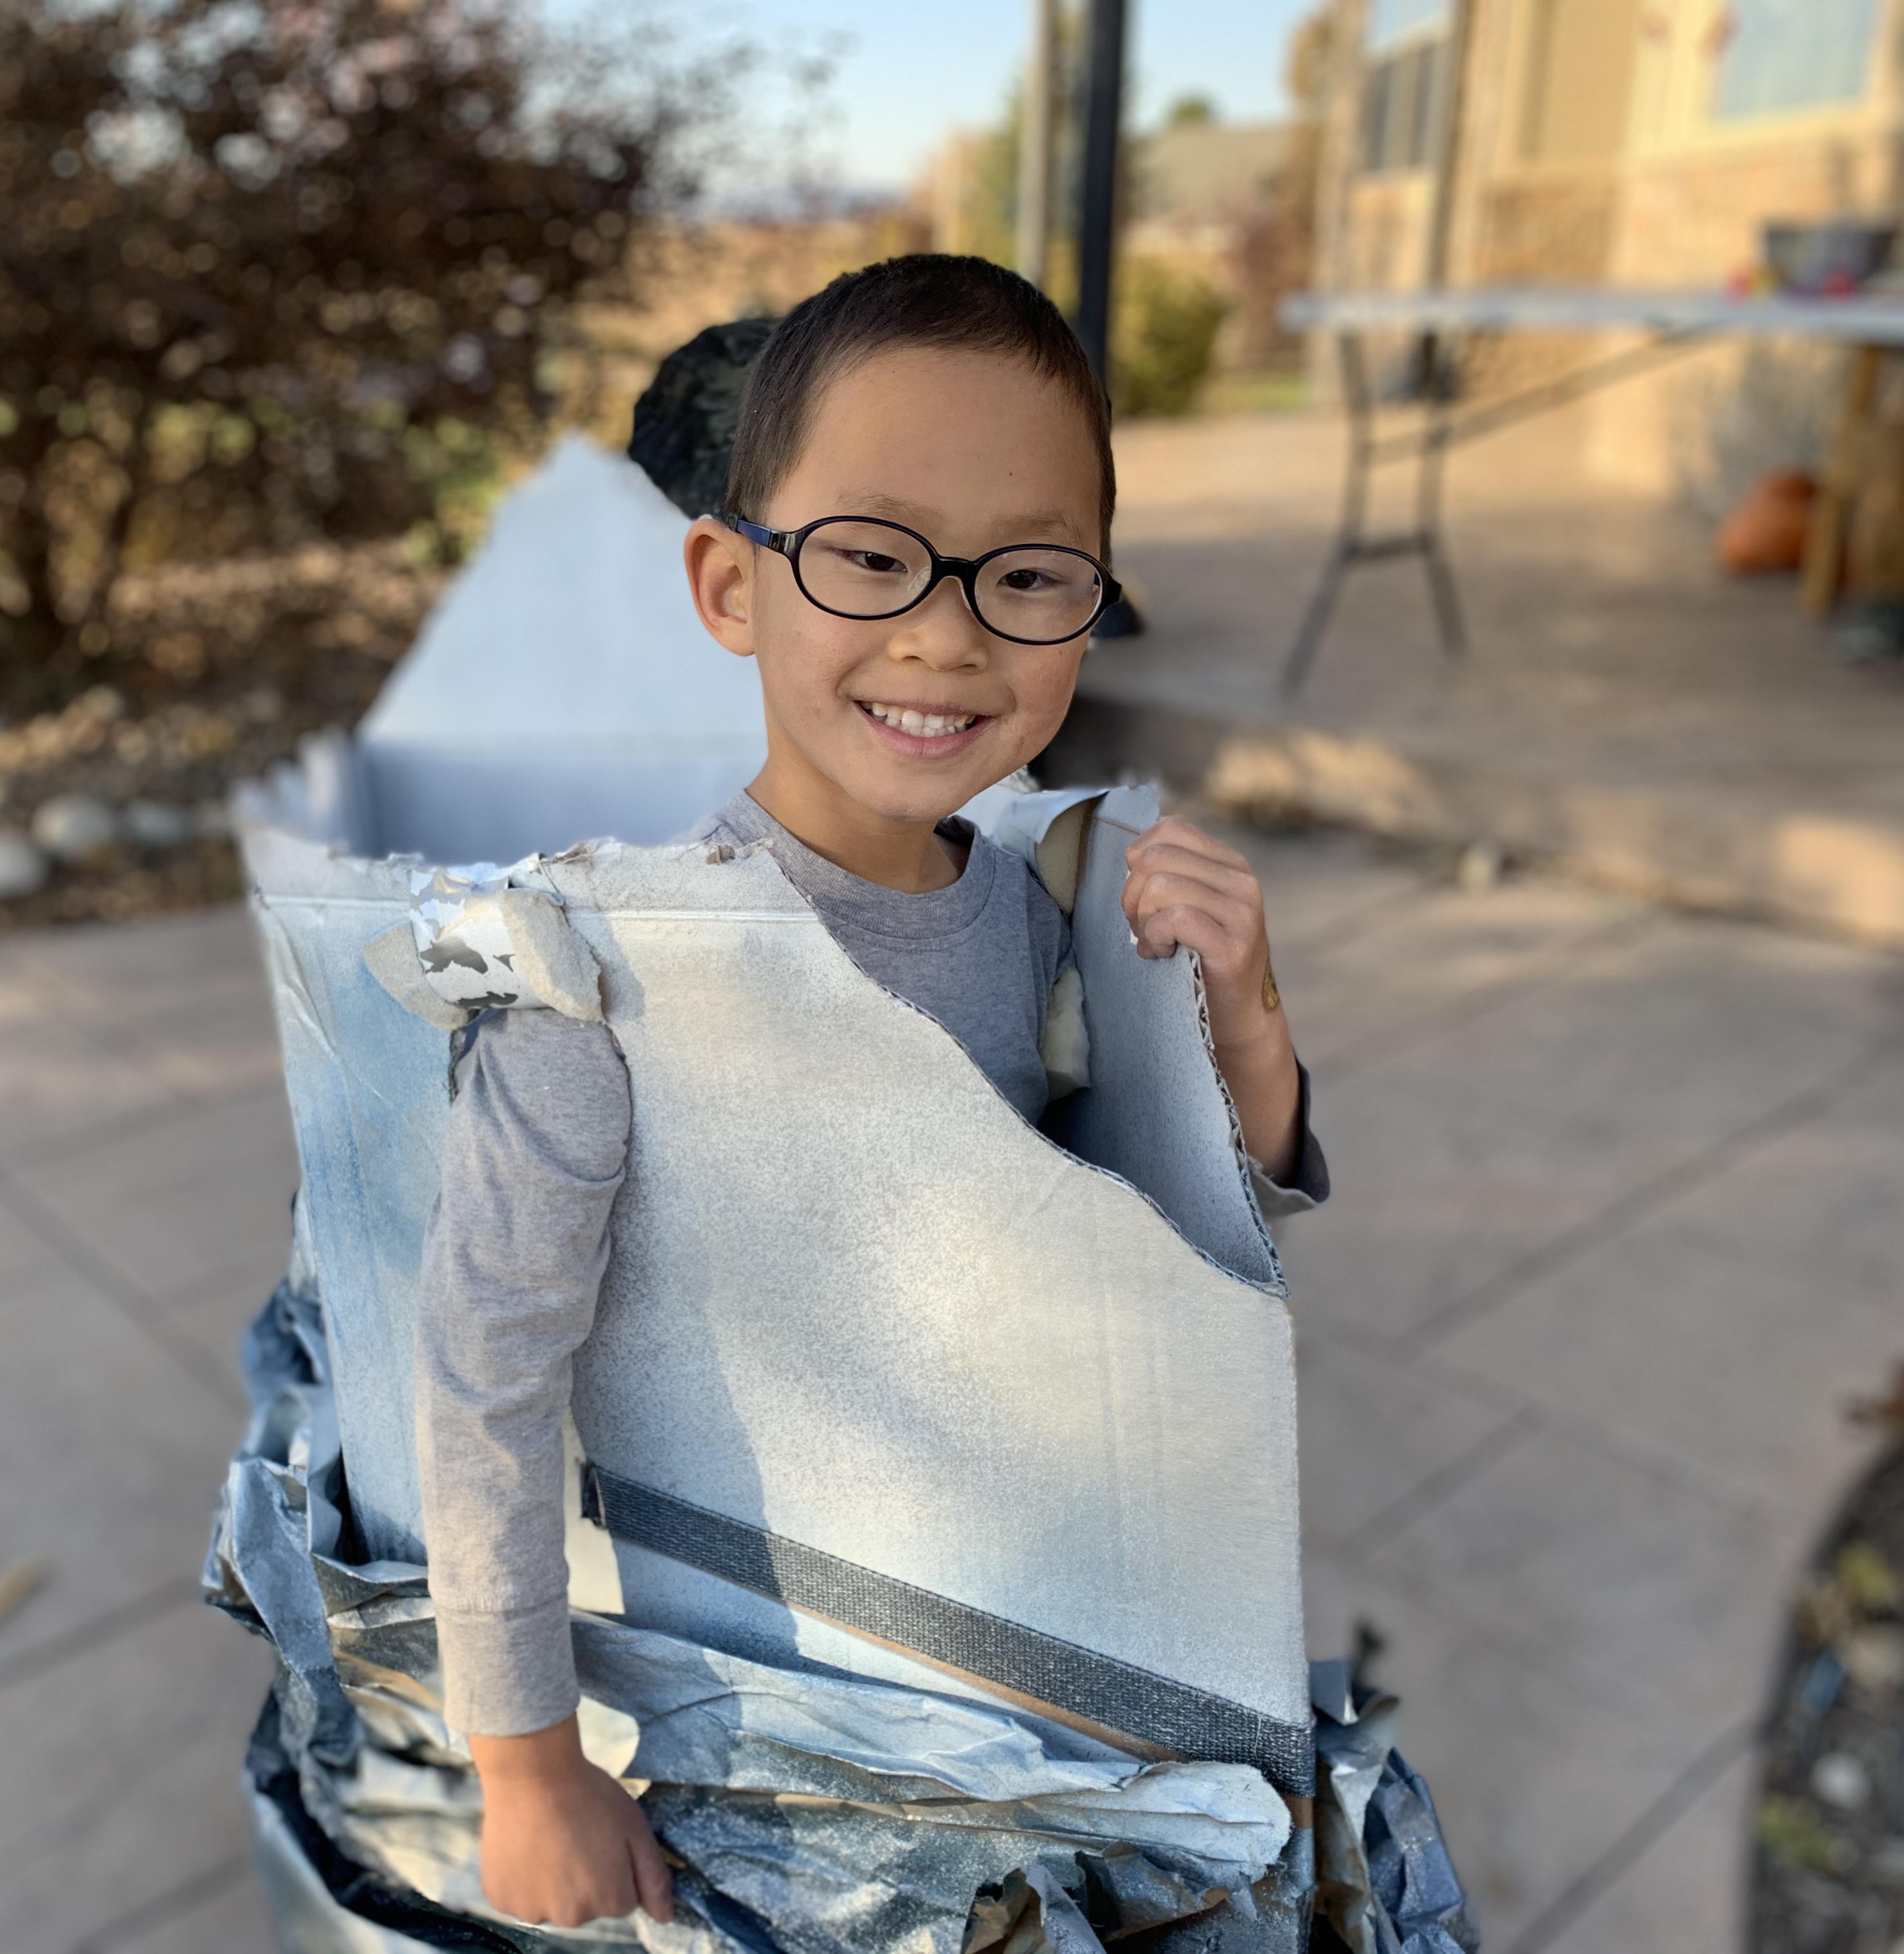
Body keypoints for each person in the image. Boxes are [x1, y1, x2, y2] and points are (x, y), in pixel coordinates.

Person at [412, 255, 1329, 1929]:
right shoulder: (600, 973)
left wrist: (1247, 1035)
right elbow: (486, 1378)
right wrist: (528, 1767)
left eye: (1028, 575)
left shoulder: (1037, 909)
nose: (947, 634)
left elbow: (1171, 1251)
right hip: (766, 1712)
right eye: (870, 553)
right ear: (731, 583)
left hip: (1022, 1648)